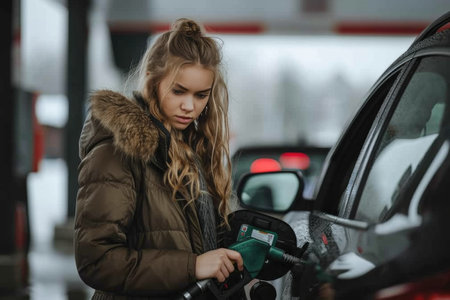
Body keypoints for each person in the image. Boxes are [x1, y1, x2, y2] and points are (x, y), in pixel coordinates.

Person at [74, 18, 244, 299]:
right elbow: (96, 261)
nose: (190, 106)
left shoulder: (193, 151)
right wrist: (194, 266)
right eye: (179, 91)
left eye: (201, 95)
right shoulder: (118, 151)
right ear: (153, 80)